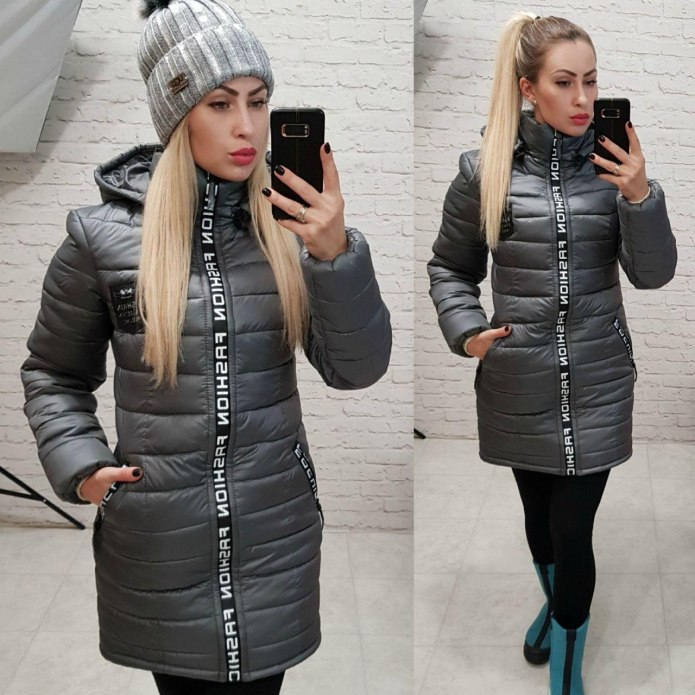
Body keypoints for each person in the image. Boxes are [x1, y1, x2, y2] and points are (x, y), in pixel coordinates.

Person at [20, 1, 391, 693]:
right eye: (219, 103)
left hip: (274, 531)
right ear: (176, 114)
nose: (247, 126)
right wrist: (83, 467)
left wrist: (335, 255)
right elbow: (52, 373)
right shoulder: (101, 240)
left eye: (258, 101)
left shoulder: (292, 230)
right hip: (159, 540)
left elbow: (357, 369)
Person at [427, 12, 676, 695]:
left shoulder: (614, 168)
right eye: (564, 82)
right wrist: (466, 330)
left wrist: (639, 195)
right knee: (538, 522)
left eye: (590, 81)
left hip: (598, 378)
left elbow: (653, 274)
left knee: (572, 529)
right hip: (517, 379)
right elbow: (449, 268)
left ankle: (566, 664)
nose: (582, 98)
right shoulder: (482, 173)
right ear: (527, 89)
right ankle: (554, 609)